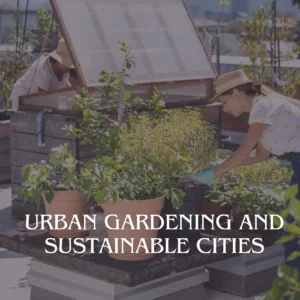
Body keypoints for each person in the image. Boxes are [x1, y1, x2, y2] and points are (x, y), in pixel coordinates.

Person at [181, 69, 300, 275]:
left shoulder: (262, 107)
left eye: (225, 102)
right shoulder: (262, 109)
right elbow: (260, 155)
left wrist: (212, 174)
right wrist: (221, 166)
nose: (225, 109)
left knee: (293, 233)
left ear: (236, 93)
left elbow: (243, 152)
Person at [10, 38, 74, 110]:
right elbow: (43, 98)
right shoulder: (43, 68)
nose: (68, 66)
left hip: (37, 100)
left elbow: (68, 88)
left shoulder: (64, 70)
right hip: (23, 95)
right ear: (58, 60)